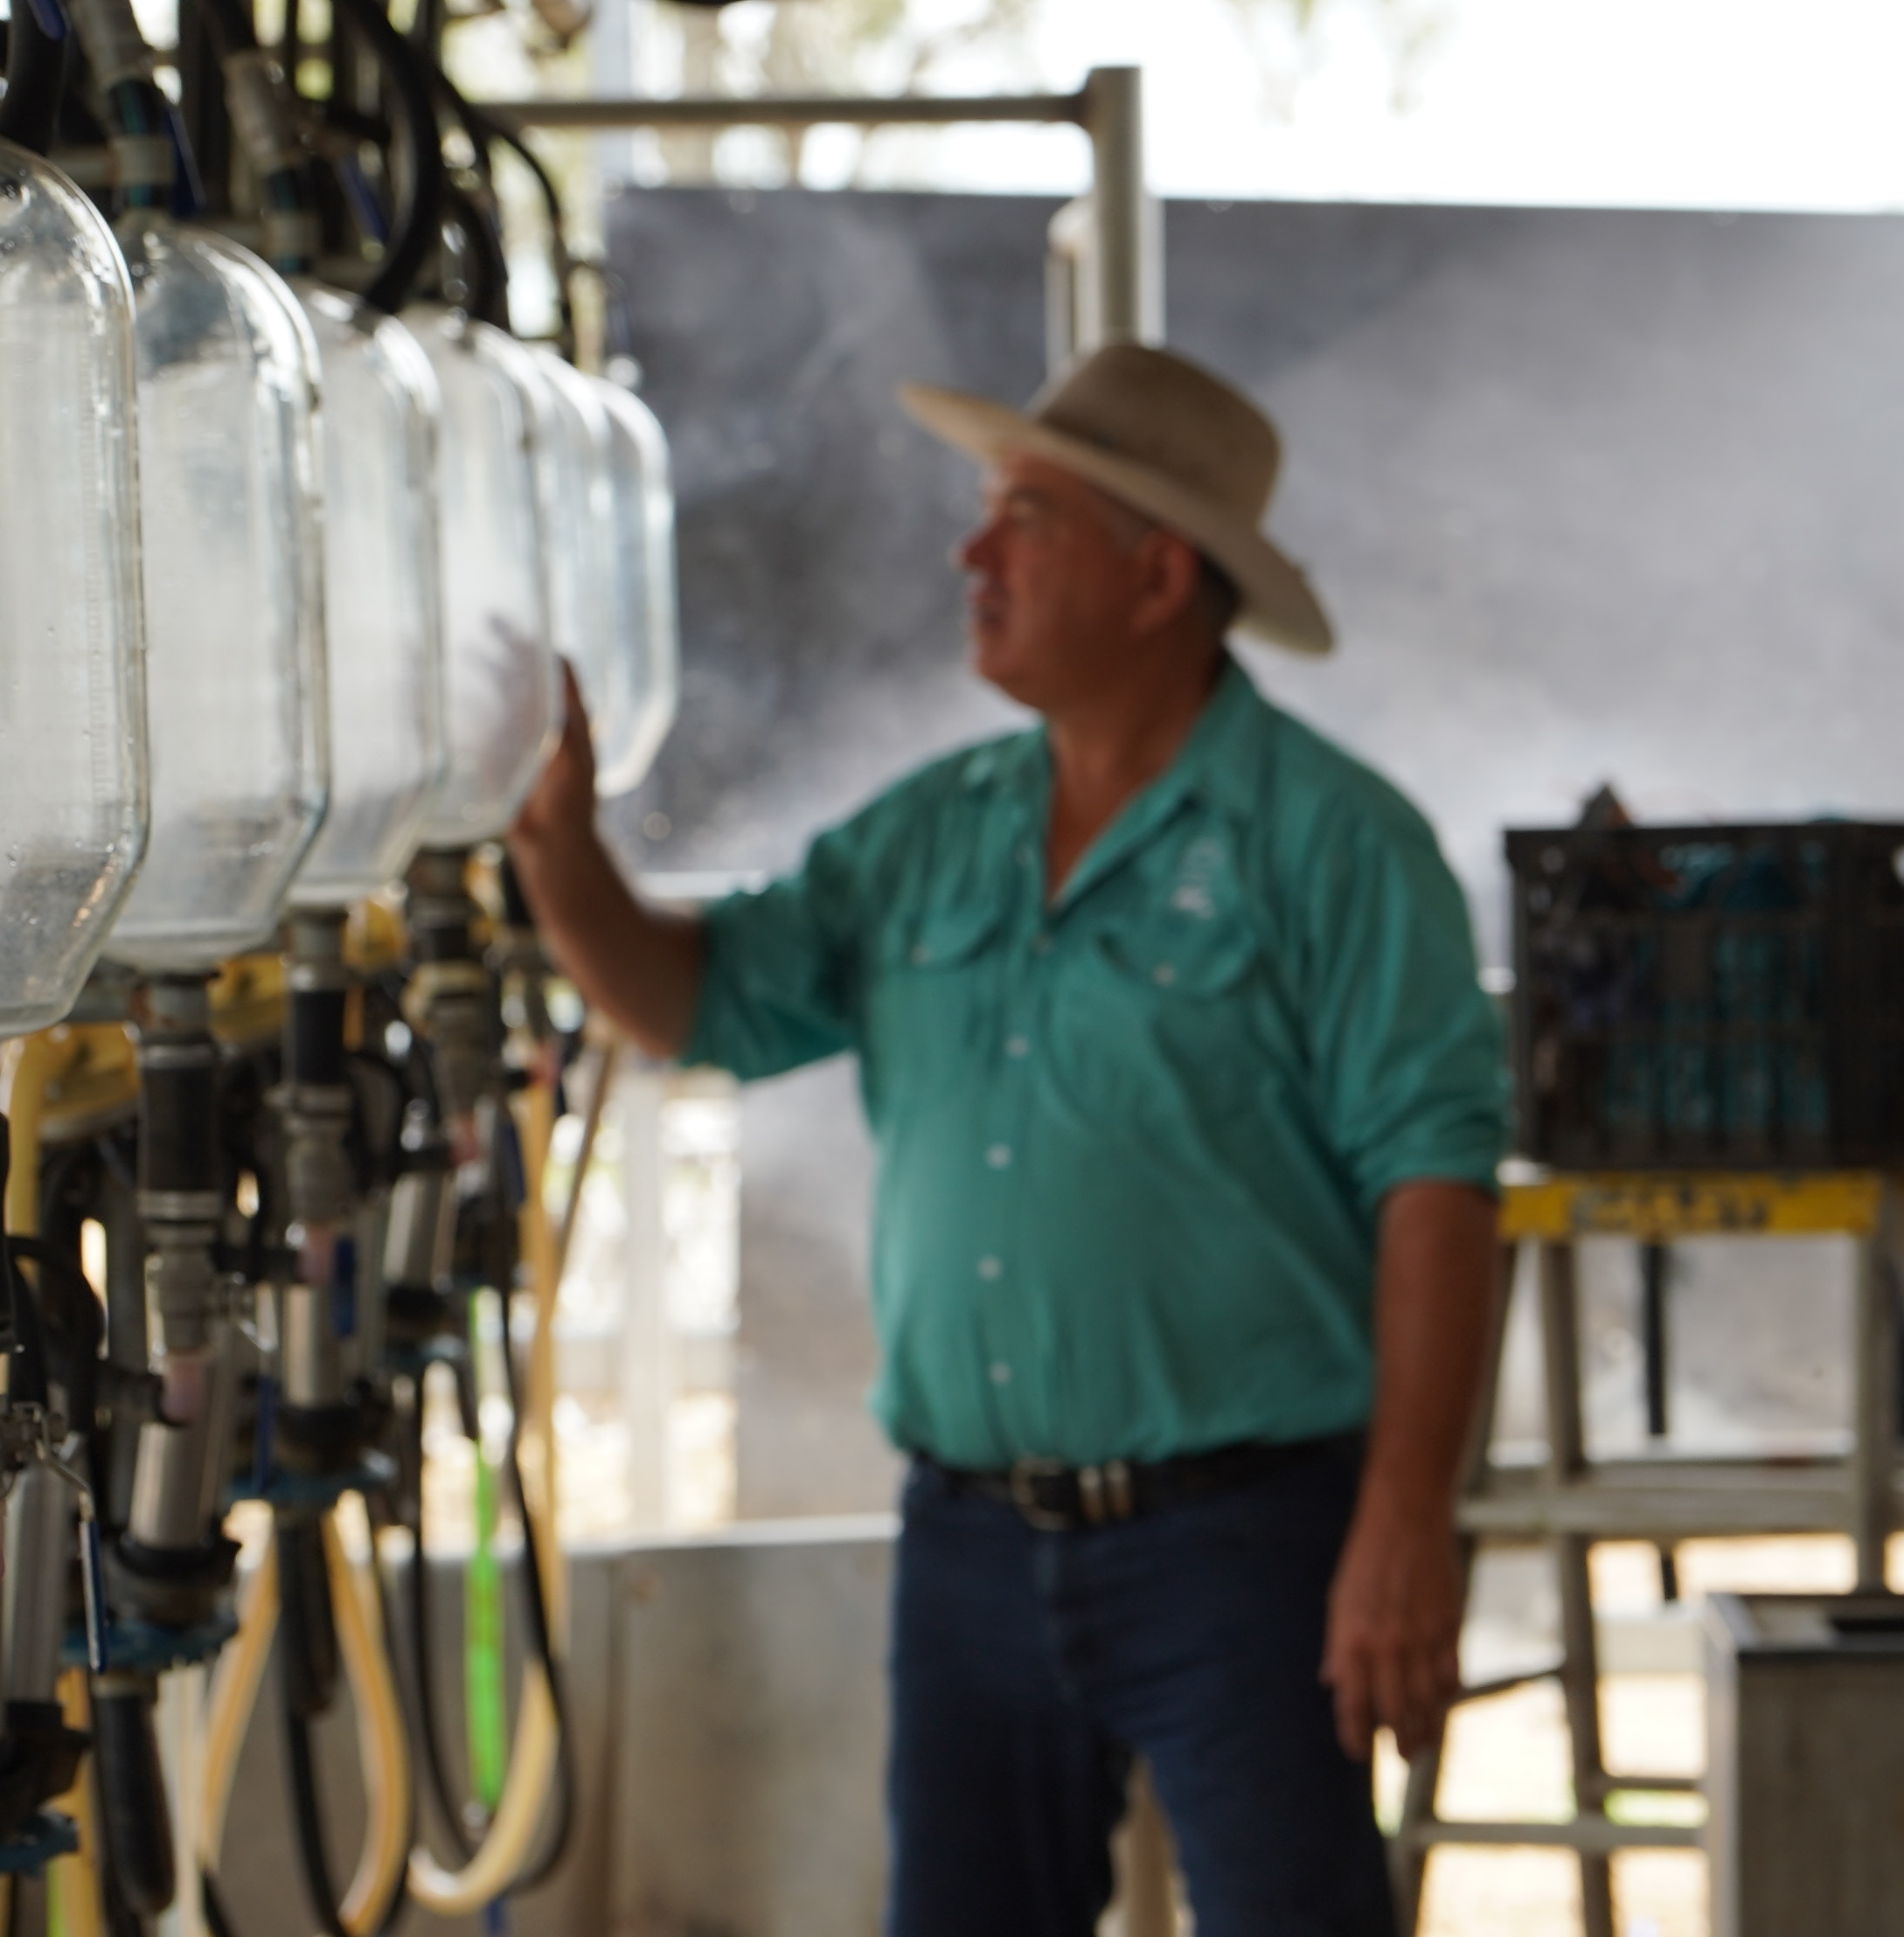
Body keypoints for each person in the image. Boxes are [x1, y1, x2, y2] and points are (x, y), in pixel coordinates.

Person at [507, 343, 1507, 1936]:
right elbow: (702, 1007)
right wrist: (562, 859)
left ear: (1156, 573)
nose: (973, 555)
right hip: (972, 1540)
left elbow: (1438, 1189)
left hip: (1247, 1543)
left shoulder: (1332, 843)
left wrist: (1404, 1522)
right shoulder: (935, 831)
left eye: (1024, 519)